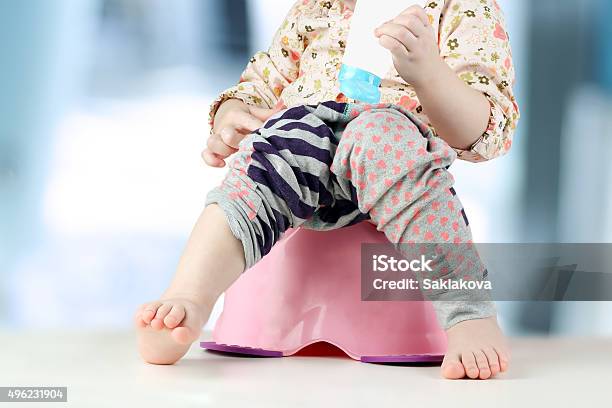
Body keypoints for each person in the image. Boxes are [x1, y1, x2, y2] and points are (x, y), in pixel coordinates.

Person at [135, 0, 520, 380]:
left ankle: (468, 313)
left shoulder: (463, 9)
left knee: (382, 139)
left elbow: (482, 132)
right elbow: (259, 86)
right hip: (302, 150)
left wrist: (429, 73)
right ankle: (190, 297)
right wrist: (231, 117)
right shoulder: (313, 10)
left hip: (393, 152)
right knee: (264, 160)